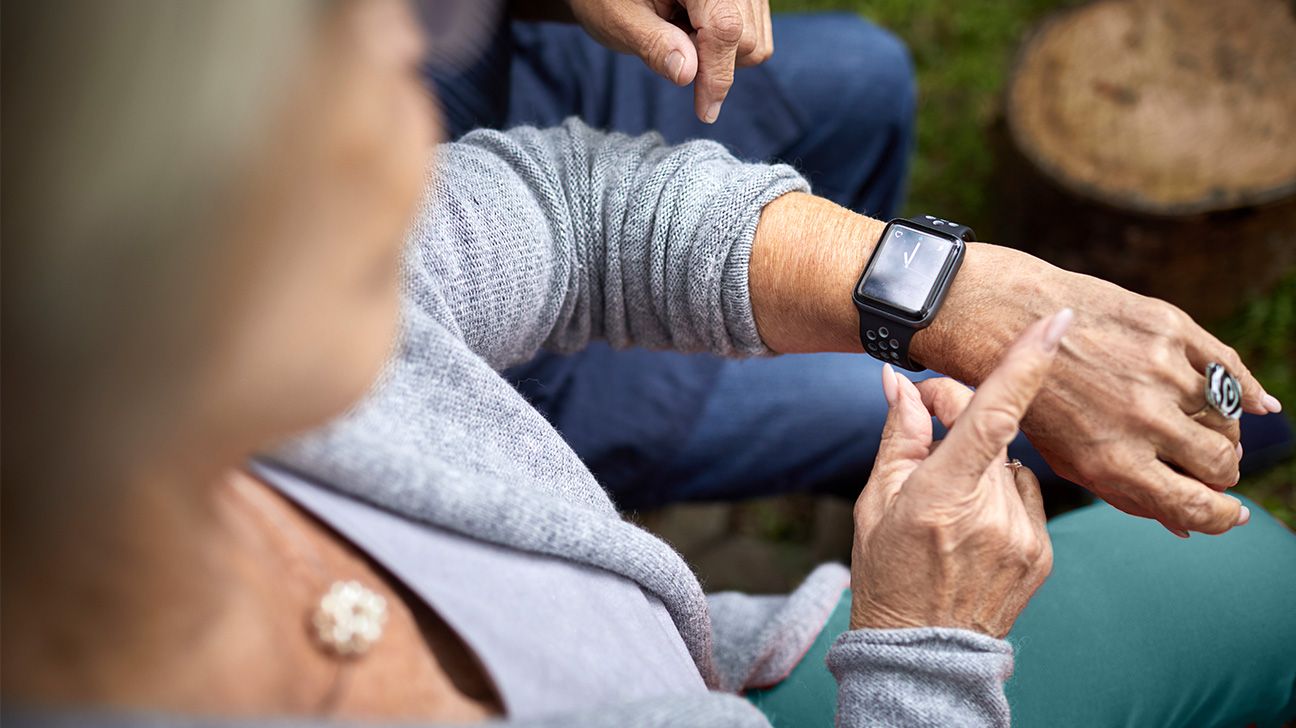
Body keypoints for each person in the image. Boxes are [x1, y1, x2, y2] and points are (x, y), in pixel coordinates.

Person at [4, 2, 1295, 728]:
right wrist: (926, 650)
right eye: (271, 136)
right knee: (1253, 565)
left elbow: (561, 213)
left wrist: (944, 287)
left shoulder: (182, 374)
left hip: (731, 653)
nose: (406, 152)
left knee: (865, 84)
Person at [427, 0, 1294, 511]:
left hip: (530, 83)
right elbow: (576, 222)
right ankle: (1181, 455)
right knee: (931, 404)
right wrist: (931, 298)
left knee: (868, 78)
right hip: (508, 356)